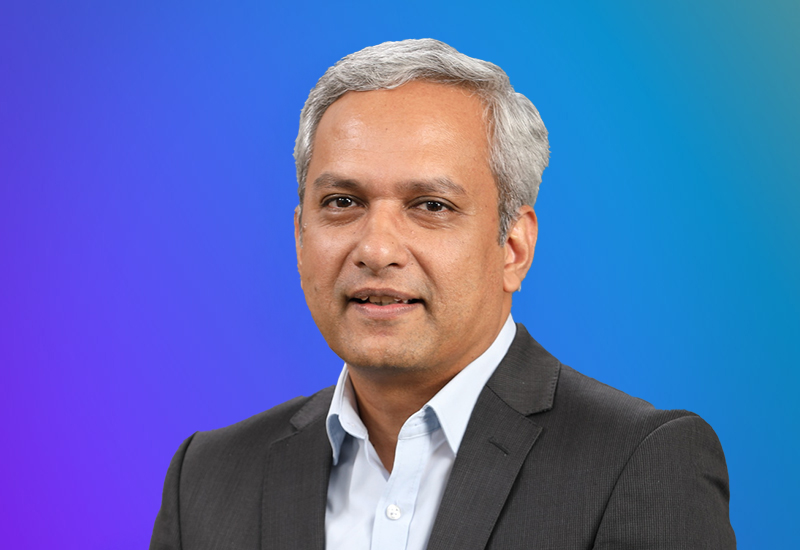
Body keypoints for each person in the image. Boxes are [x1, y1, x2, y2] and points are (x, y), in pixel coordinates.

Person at [150, 39, 735, 549]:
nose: (376, 249)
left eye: (431, 206)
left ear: (513, 247)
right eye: (342, 202)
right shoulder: (207, 476)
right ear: (301, 234)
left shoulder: (641, 463)